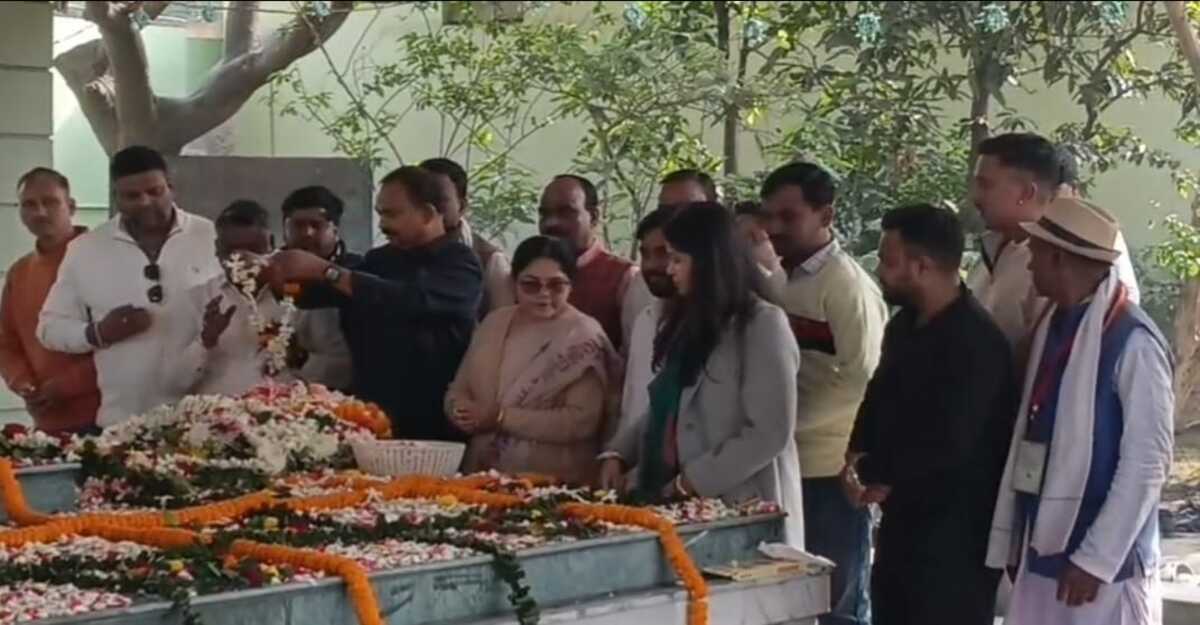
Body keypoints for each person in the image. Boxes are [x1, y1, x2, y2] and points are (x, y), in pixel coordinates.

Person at [986, 198, 1173, 625]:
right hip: (1045, 545)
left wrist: (1096, 559)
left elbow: (1148, 462)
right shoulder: (1053, 323)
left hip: (1104, 568)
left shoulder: (1135, 341)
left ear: (1059, 259)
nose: (1029, 264)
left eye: (1036, 253)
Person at [847, 203, 1018, 625]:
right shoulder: (903, 326)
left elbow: (949, 442)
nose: (880, 272)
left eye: (888, 261)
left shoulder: (976, 342)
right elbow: (878, 396)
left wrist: (876, 471)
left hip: (955, 538)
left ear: (922, 266)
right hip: (901, 523)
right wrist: (856, 455)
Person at [599, 202, 805, 547]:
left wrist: (691, 482)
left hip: (741, 505)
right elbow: (667, 406)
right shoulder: (686, 319)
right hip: (675, 504)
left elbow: (769, 432)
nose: (669, 270)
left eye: (678, 260)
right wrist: (618, 453)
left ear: (710, 262)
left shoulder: (763, 324)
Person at [760, 162, 889, 625]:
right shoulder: (777, 279)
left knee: (836, 604)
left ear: (826, 215)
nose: (775, 228)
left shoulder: (846, 285)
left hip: (831, 472)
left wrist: (783, 424)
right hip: (782, 464)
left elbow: (862, 378)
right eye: (769, 216)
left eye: (789, 216)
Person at [267, 166, 482, 441]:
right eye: (380, 214)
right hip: (371, 418)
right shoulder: (380, 260)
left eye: (392, 214)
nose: (382, 225)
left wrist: (327, 271)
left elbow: (409, 300)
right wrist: (274, 276)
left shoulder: (459, 263)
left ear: (428, 214)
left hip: (434, 421)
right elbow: (312, 296)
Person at [38, 146, 221, 427]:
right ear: (116, 198)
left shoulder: (210, 236)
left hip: (210, 420)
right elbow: (50, 328)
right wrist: (98, 333)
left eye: (155, 191)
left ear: (171, 188)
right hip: (124, 423)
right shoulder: (86, 250)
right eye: (132, 196)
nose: (146, 202)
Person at [446, 236, 621, 485]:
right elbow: (459, 388)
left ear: (571, 284)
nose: (544, 294)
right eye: (531, 285)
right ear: (514, 282)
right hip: (482, 476)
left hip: (556, 483)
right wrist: (461, 411)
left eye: (556, 285)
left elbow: (581, 421)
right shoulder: (494, 323)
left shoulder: (583, 337)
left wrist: (501, 417)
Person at [967, 133, 1139, 356]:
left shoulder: (1077, 253)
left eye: (986, 185)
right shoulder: (999, 244)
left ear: (1027, 192)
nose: (975, 197)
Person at [0, 169, 99, 435]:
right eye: (29, 204)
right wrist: (24, 384)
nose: (40, 212)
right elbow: (6, 342)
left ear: (72, 206)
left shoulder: (103, 259)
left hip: (107, 418)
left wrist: (67, 386)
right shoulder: (20, 273)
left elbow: (124, 341)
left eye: (50, 202)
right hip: (47, 423)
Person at [164, 200, 291, 397]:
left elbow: (331, 361)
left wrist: (297, 355)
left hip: (288, 411)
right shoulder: (197, 299)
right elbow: (172, 384)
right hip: (218, 412)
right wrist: (205, 341)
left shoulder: (297, 296)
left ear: (272, 244)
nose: (242, 259)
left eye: (254, 249)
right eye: (231, 251)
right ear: (217, 249)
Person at [539, 174, 651, 352]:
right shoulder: (527, 277)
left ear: (593, 217)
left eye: (565, 212)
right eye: (545, 214)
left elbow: (638, 355)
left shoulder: (624, 278)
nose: (552, 223)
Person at [280, 185, 362, 391]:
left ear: (335, 230)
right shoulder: (270, 270)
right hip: (280, 391)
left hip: (349, 396)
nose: (307, 233)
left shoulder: (358, 271)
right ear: (284, 229)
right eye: (298, 225)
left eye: (316, 225)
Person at [420, 157, 515, 317]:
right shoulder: (397, 253)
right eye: (420, 200)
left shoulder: (490, 261)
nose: (429, 209)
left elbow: (503, 325)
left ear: (462, 206)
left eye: (439, 201)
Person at [622, 206, 679, 429]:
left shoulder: (721, 326)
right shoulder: (645, 320)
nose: (651, 265)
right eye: (645, 254)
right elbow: (633, 405)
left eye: (663, 253)